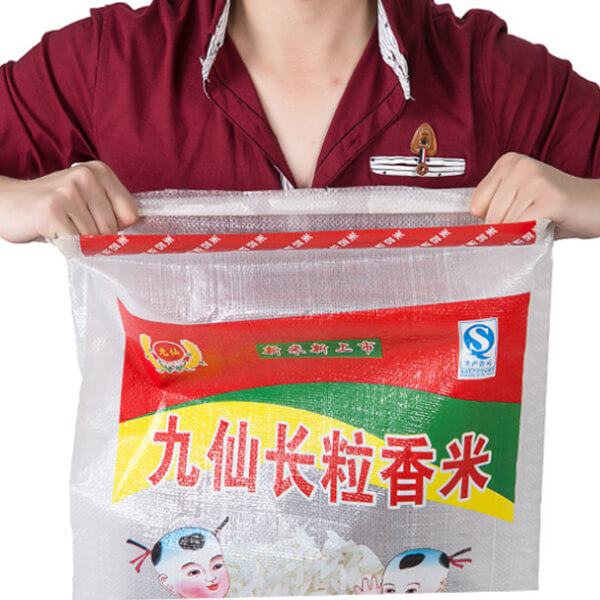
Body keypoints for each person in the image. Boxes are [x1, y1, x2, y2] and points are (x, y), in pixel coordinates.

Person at [0, 0, 600, 243]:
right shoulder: (112, 62)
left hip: (420, 470)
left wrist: (586, 201)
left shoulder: (483, 73)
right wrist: (13, 202)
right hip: (180, 473)